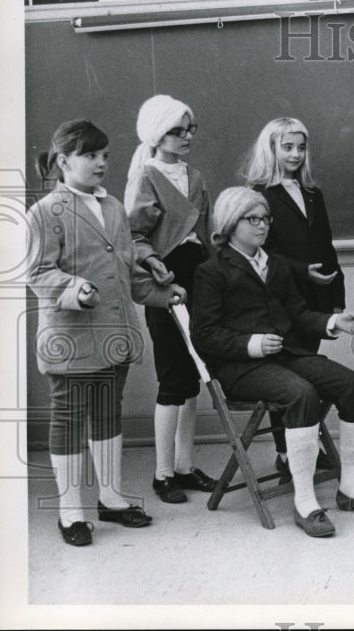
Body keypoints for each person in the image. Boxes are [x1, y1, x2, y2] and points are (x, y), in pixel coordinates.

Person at [191, 187, 354, 537]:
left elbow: (298, 315)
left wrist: (332, 322)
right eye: (252, 219)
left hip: (287, 355)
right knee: (301, 394)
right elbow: (204, 335)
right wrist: (251, 344)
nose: (263, 226)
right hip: (242, 368)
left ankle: (350, 489)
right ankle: (305, 502)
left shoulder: (276, 263)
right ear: (229, 223)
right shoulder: (211, 271)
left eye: (266, 219)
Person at [27, 120, 185, 546]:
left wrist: (161, 290)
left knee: (107, 414)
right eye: (90, 155)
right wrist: (72, 289)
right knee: (68, 419)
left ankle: (112, 498)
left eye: (104, 155)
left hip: (114, 335)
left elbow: (127, 273)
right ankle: (70, 510)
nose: (100, 163)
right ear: (63, 161)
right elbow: (38, 271)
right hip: (71, 337)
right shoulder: (46, 212)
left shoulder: (113, 206)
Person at [124, 94, 216, 504]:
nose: (186, 137)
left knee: (196, 374)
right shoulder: (146, 176)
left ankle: (184, 465)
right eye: (178, 130)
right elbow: (134, 236)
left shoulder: (194, 176)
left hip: (199, 278)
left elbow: (208, 231)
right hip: (165, 280)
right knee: (172, 376)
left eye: (190, 129)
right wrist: (154, 267)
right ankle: (163, 474)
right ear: (157, 135)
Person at [243, 117, 344, 480]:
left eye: (301, 147)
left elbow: (327, 245)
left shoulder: (313, 192)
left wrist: (336, 297)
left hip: (315, 303)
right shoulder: (258, 195)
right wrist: (303, 272)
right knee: (285, 376)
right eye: (287, 147)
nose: (296, 154)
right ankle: (287, 453)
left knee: (308, 369)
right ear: (270, 149)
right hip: (280, 302)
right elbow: (262, 252)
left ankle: (304, 446)